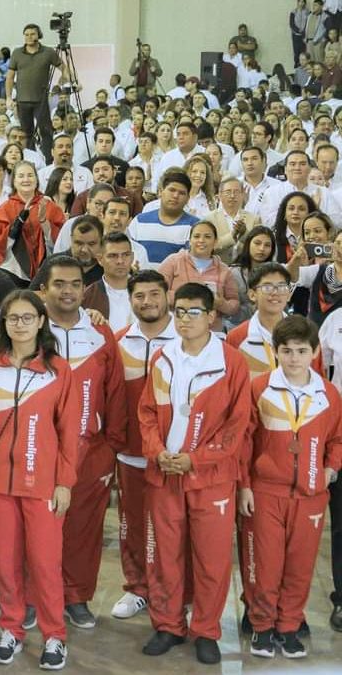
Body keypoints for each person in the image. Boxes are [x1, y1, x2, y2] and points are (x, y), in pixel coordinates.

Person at [138, 282, 252, 665]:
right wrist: (157, 453)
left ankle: (206, 629)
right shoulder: (162, 358)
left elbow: (238, 424)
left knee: (212, 558)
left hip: (211, 477)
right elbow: (148, 413)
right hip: (165, 474)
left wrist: (197, 459)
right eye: (180, 311)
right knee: (164, 556)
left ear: (211, 316)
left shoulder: (231, 361)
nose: (185, 319)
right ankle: (168, 624)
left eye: (194, 312)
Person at [0, 289, 76, 670]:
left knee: (46, 564)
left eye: (27, 317)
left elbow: (68, 434)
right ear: (4, 324)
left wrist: (64, 482)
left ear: (41, 321)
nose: (19, 324)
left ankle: (54, 635)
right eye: (12, 318)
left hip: (43, 486)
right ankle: (11, 628)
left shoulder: (59, 371)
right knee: (7, 563)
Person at [243, 315, 341, 658]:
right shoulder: (259, 388)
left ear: (315, 351)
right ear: (275, 352)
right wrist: (245, 486)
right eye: (287, 351)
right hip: (266, 491)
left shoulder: (328, 393)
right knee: (265, 565)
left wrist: (330, 468)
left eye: (302, 350)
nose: (294, 358)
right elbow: (245, 441)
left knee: (300, 566)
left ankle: (288, 627)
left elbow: (338, 439)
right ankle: (262, 627)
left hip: (311, 496)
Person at [37, 256, 126, 628]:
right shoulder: (30, 329)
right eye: (59, 284)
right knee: (38, 530)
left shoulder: (99, 332)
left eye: (75, 284)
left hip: (91, 451)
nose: (68, 291)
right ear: (44, 290)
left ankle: (76, 596)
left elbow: (116, 390)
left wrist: (112, 449)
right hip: (38, 451)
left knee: (83, 530)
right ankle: (34, 597)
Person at [110, 270, 178, 620]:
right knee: (132, 525)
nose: (147, 302)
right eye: (140, 296)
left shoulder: (184, 340)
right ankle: (137, 588)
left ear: (167, 295)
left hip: (173, 456)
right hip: (131, 453)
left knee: (172, 528)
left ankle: (172, 592)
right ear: (131, 299)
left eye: (154, 294)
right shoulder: (119, 341)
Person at [0, 160, 66, 283]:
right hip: (12, 272)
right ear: (14, 181)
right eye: (21, 176)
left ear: (36, 179)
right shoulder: (5, 208)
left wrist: (43, 221)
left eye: (30, 175)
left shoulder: (49, 206)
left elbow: (60, 241)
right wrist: (19, 220)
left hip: (46, 271)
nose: (26, 179)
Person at [157, 221, 240, 330]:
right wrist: (183, 296)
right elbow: (157, 292)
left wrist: (221, 304)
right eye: (196, 236)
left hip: (212, 331)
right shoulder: (173, 261)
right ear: (190, 240)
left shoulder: (225, 270)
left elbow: (234, 303)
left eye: (207, 237)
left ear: (215, 241)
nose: (201, 240)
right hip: (175, 328)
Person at [6, 23, 68, 162]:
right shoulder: (17, 52)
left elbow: (64, 67)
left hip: (41, 100)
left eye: (32, 34)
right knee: (26, 134)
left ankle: (49, 161)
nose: (29, 37)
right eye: (26, 34)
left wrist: (64, 78)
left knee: (46, 131)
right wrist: (9, 97)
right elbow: (9, 77)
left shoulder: (48, 52)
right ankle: (29, 160)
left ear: (38, 35)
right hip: (22, 100)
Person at [127, 170, 198, 268]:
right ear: (160, 192)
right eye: (172, 190)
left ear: (188, 198)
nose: (175, 196)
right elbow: (128, 252)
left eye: (181, 193)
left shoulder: (195, 225)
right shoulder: (139, 221)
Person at [83, 232, 135, 329]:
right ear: (100, 259)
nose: (120, 261)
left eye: (125, 255)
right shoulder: (89, 295)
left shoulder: (146, 291)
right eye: (113, 256)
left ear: (132, 257)